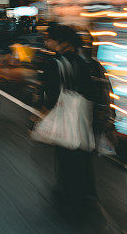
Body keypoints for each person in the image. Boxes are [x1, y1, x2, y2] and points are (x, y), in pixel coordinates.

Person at [40, 23, 114, 219]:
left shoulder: (56, 62)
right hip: (88, 119)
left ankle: (70, 198)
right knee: (83, 159)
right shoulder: (92, 65)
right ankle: (87, 196)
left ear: (62, 42)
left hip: (67, 119)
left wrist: (42, 112)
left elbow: (52, 94)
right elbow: (102, 93)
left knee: (66, 158)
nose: (46, 42)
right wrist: (106, 119)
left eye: (49, 38)